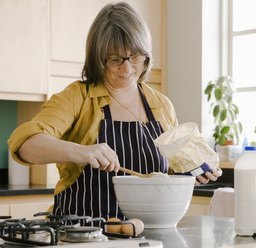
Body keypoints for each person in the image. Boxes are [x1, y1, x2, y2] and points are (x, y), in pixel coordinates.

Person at [7, 2, 222, 221]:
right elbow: (24, 144)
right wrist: (80, 151)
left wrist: (192, 173)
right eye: (115, 59)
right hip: (82, 235)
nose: (127, 68)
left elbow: (169, 173)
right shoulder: (78, 97)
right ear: (97, 58)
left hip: (145, 235)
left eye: (135, 56)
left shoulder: (161, 105)